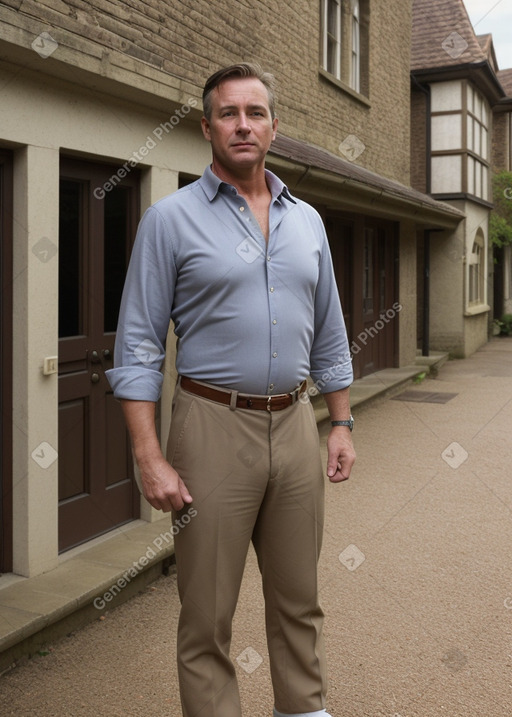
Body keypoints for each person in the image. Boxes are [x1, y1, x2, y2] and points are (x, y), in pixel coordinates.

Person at [106, 62, 356, 717]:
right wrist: (148, 454)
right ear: (206, 126)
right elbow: (136, 344)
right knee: (208, 610)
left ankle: (303, 708)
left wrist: (342, 422)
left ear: (274, 127)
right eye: (228, 113)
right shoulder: (170, 221)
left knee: (300, 596)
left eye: (255, 112)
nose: (242, 124)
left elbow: (329, 328)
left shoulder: (310, 223)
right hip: (211, 425)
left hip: (297, 425)